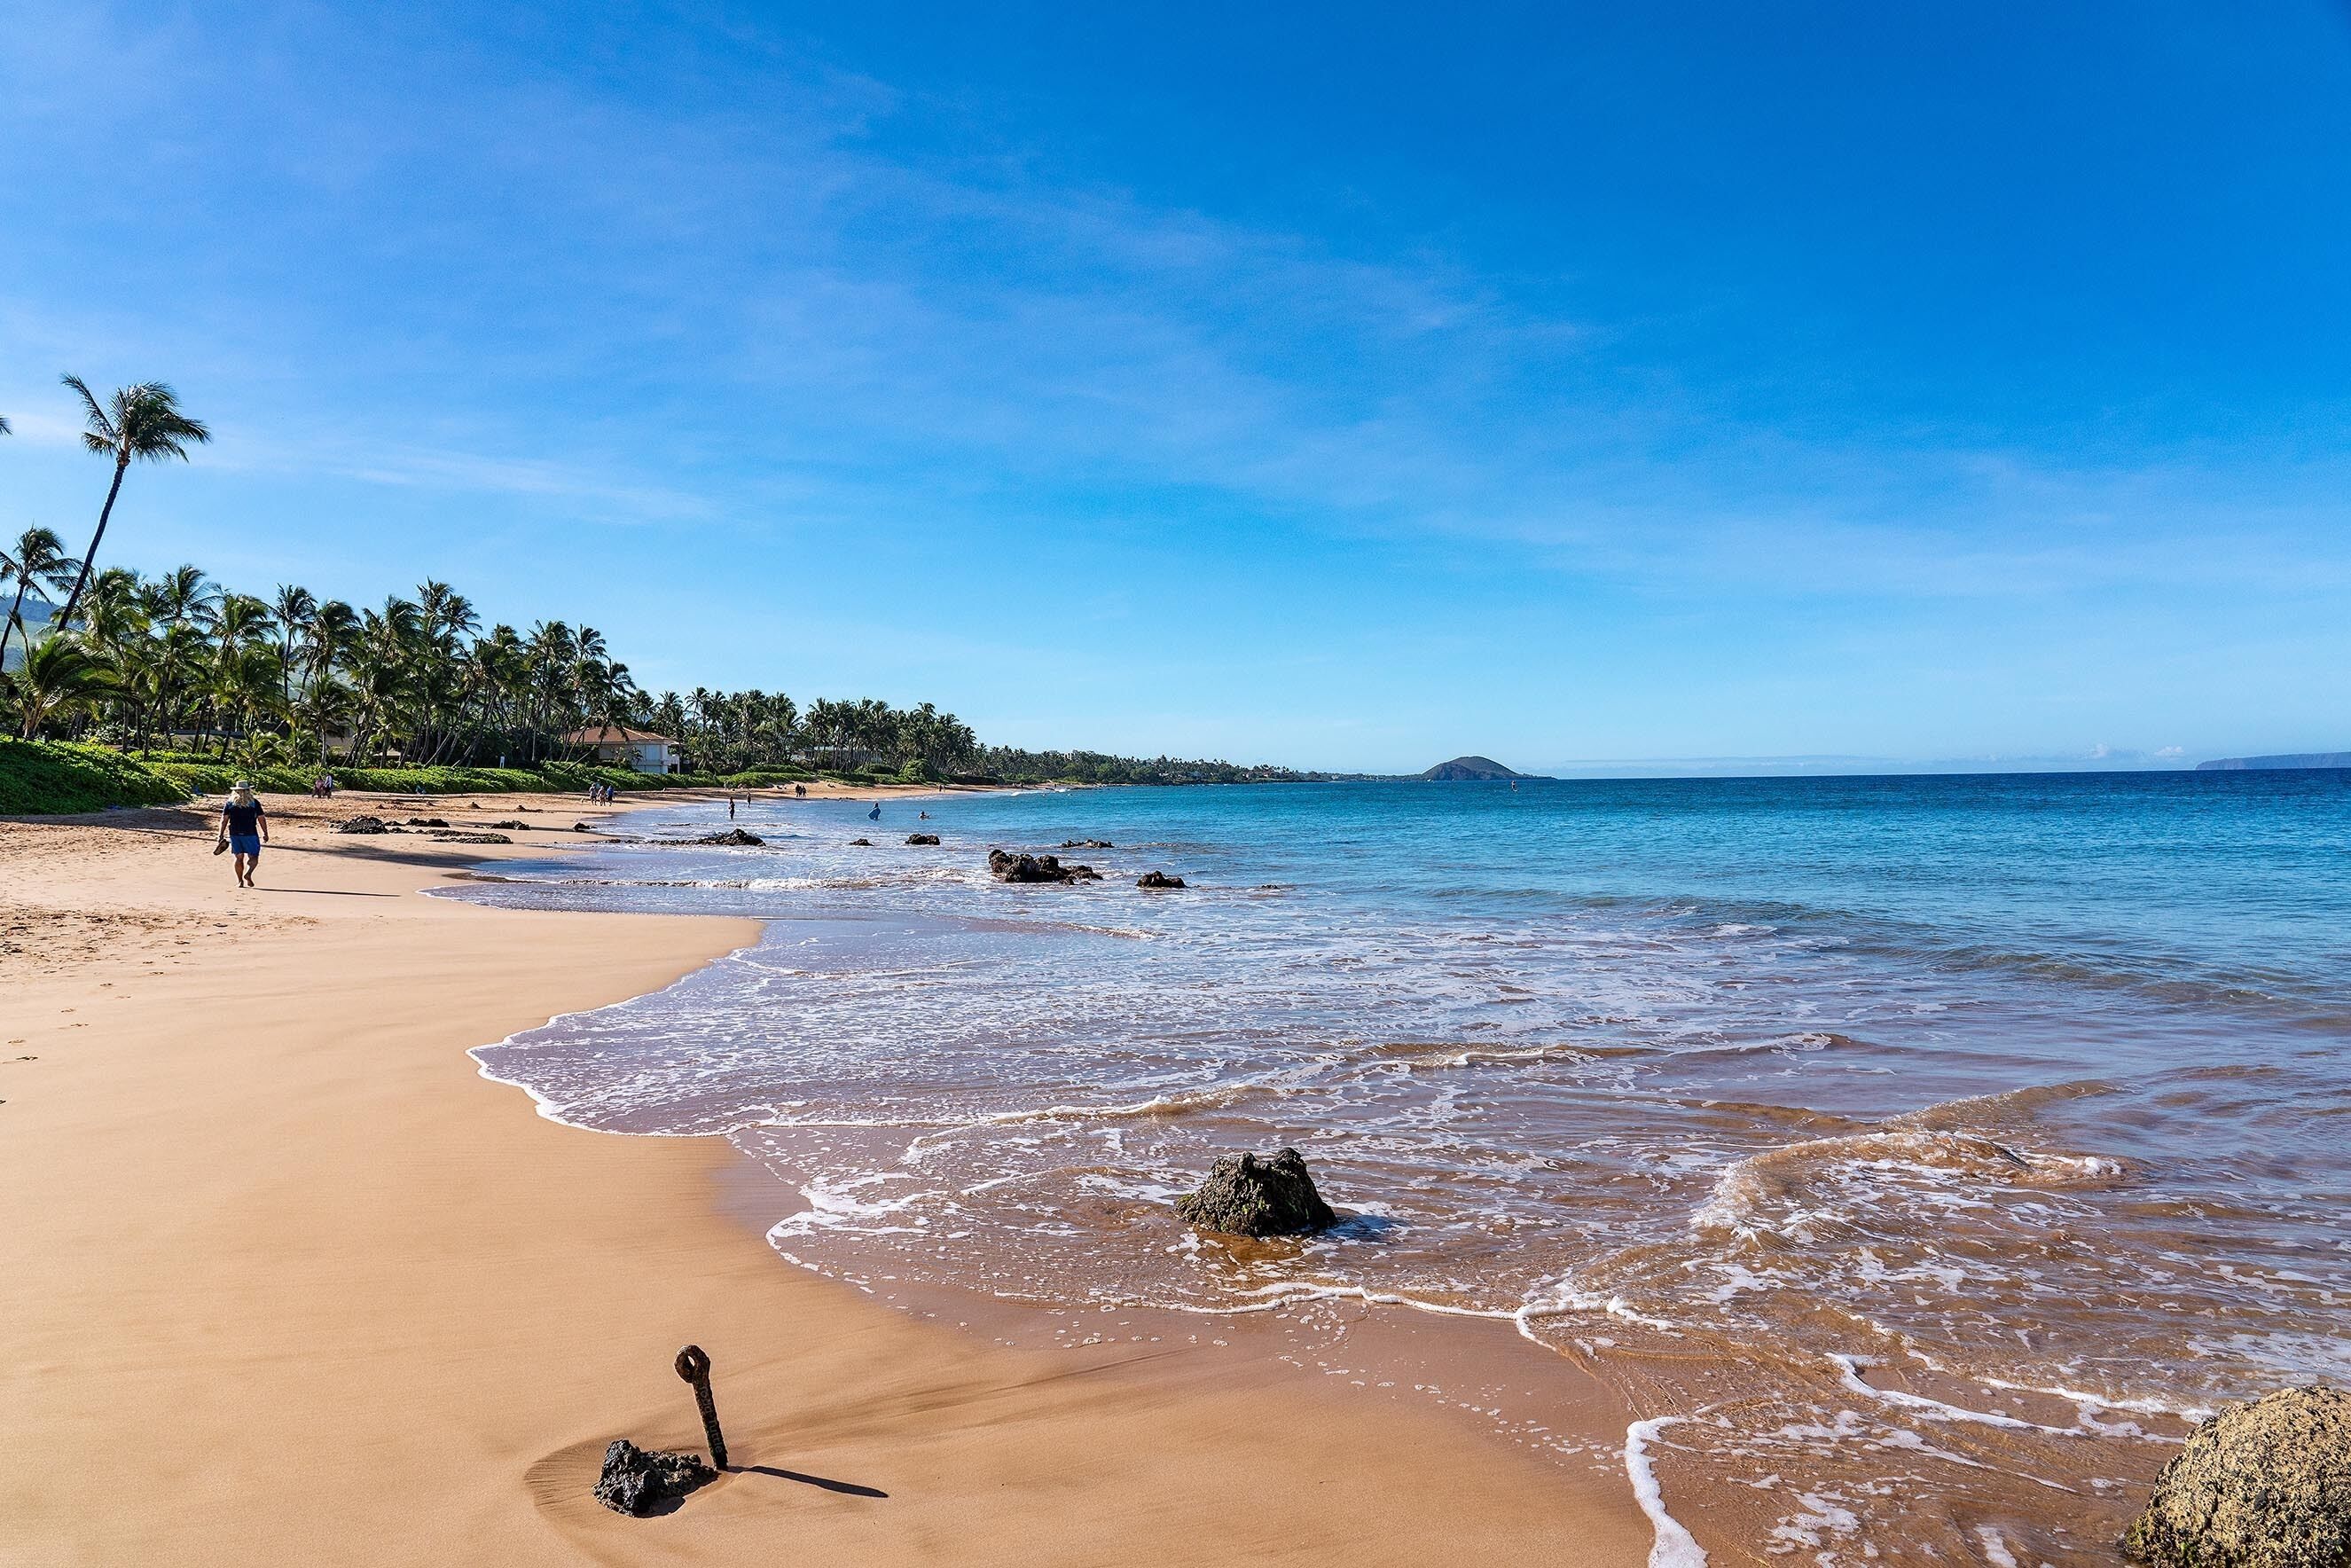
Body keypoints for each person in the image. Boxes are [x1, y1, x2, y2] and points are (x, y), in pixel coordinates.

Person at [217, 782, 269, 889]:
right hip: (250, 833)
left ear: (235, 791)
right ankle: (248, 873)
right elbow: (261, 818)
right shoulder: (254, 803)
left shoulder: (230, 803)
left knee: (238, 858)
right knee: (253, 856)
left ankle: (240, 882)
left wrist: (220, 834)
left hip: (235, 833)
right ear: (248, 791)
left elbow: (224, 820)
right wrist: (265, 833)